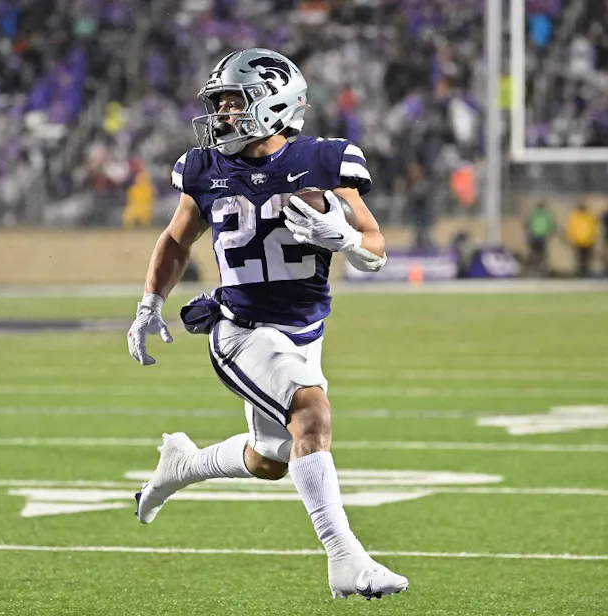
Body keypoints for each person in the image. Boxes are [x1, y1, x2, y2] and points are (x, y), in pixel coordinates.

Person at [125, 49, 407, 600]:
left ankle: (182, 465)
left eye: (235, 103)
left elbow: (375, 248)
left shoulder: (324, 162)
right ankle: (345, 557)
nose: (223, 115)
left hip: (305, 330)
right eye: (219, 105)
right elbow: (177, 240)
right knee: (311, 413)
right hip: (241, 328)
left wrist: (345, 237)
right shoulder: (205, 169)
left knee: (273, 458)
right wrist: (147, 304)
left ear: (276, 103)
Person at [565, 202, 598, 277]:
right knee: (579, 258)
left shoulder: (589, 217)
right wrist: (572, 238)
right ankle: (580, 272)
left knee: (587, 258)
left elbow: (593, 228)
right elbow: (571, 229)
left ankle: (586, 272)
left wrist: (593, 238)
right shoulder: (575, 217)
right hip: (578, 241)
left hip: (587, 241)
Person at [525, 200, 555, 276]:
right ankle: (533, 268)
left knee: (542, 253)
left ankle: (542, 268)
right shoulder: (534, 213)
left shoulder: (546, 214)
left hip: (543, 236)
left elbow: (550, 224)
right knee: (534, 253)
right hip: (535, 236)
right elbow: (528, 223)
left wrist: (549, 232)